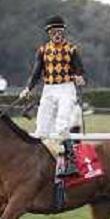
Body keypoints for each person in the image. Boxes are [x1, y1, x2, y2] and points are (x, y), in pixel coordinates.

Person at [20, 15, 86, 176]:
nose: (57, 34)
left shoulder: (71, 49)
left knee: (62, 125)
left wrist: (80, 77)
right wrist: (28, 88)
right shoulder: (43, 50)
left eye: (60, 31)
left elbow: (80, 70)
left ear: (63, 32)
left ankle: (71, 162)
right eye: (54, 31)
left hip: (66, 88)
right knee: (41, 129)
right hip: (48, 89)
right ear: (49, 33)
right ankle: (38, 164)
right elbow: (36, 73)